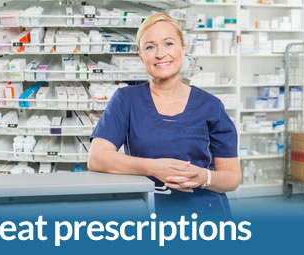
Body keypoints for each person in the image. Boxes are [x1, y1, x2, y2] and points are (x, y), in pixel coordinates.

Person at [88, 13, 241, 218]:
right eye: (150, 47)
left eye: (168, 43)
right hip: (147, 212)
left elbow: (232, 177)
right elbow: (97, 158)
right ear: (141, 55)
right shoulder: (126, 100)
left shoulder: (210, 106)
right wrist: (154, 168)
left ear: (183, 48)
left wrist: (204, 177)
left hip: (205, 218)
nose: (161, 54)